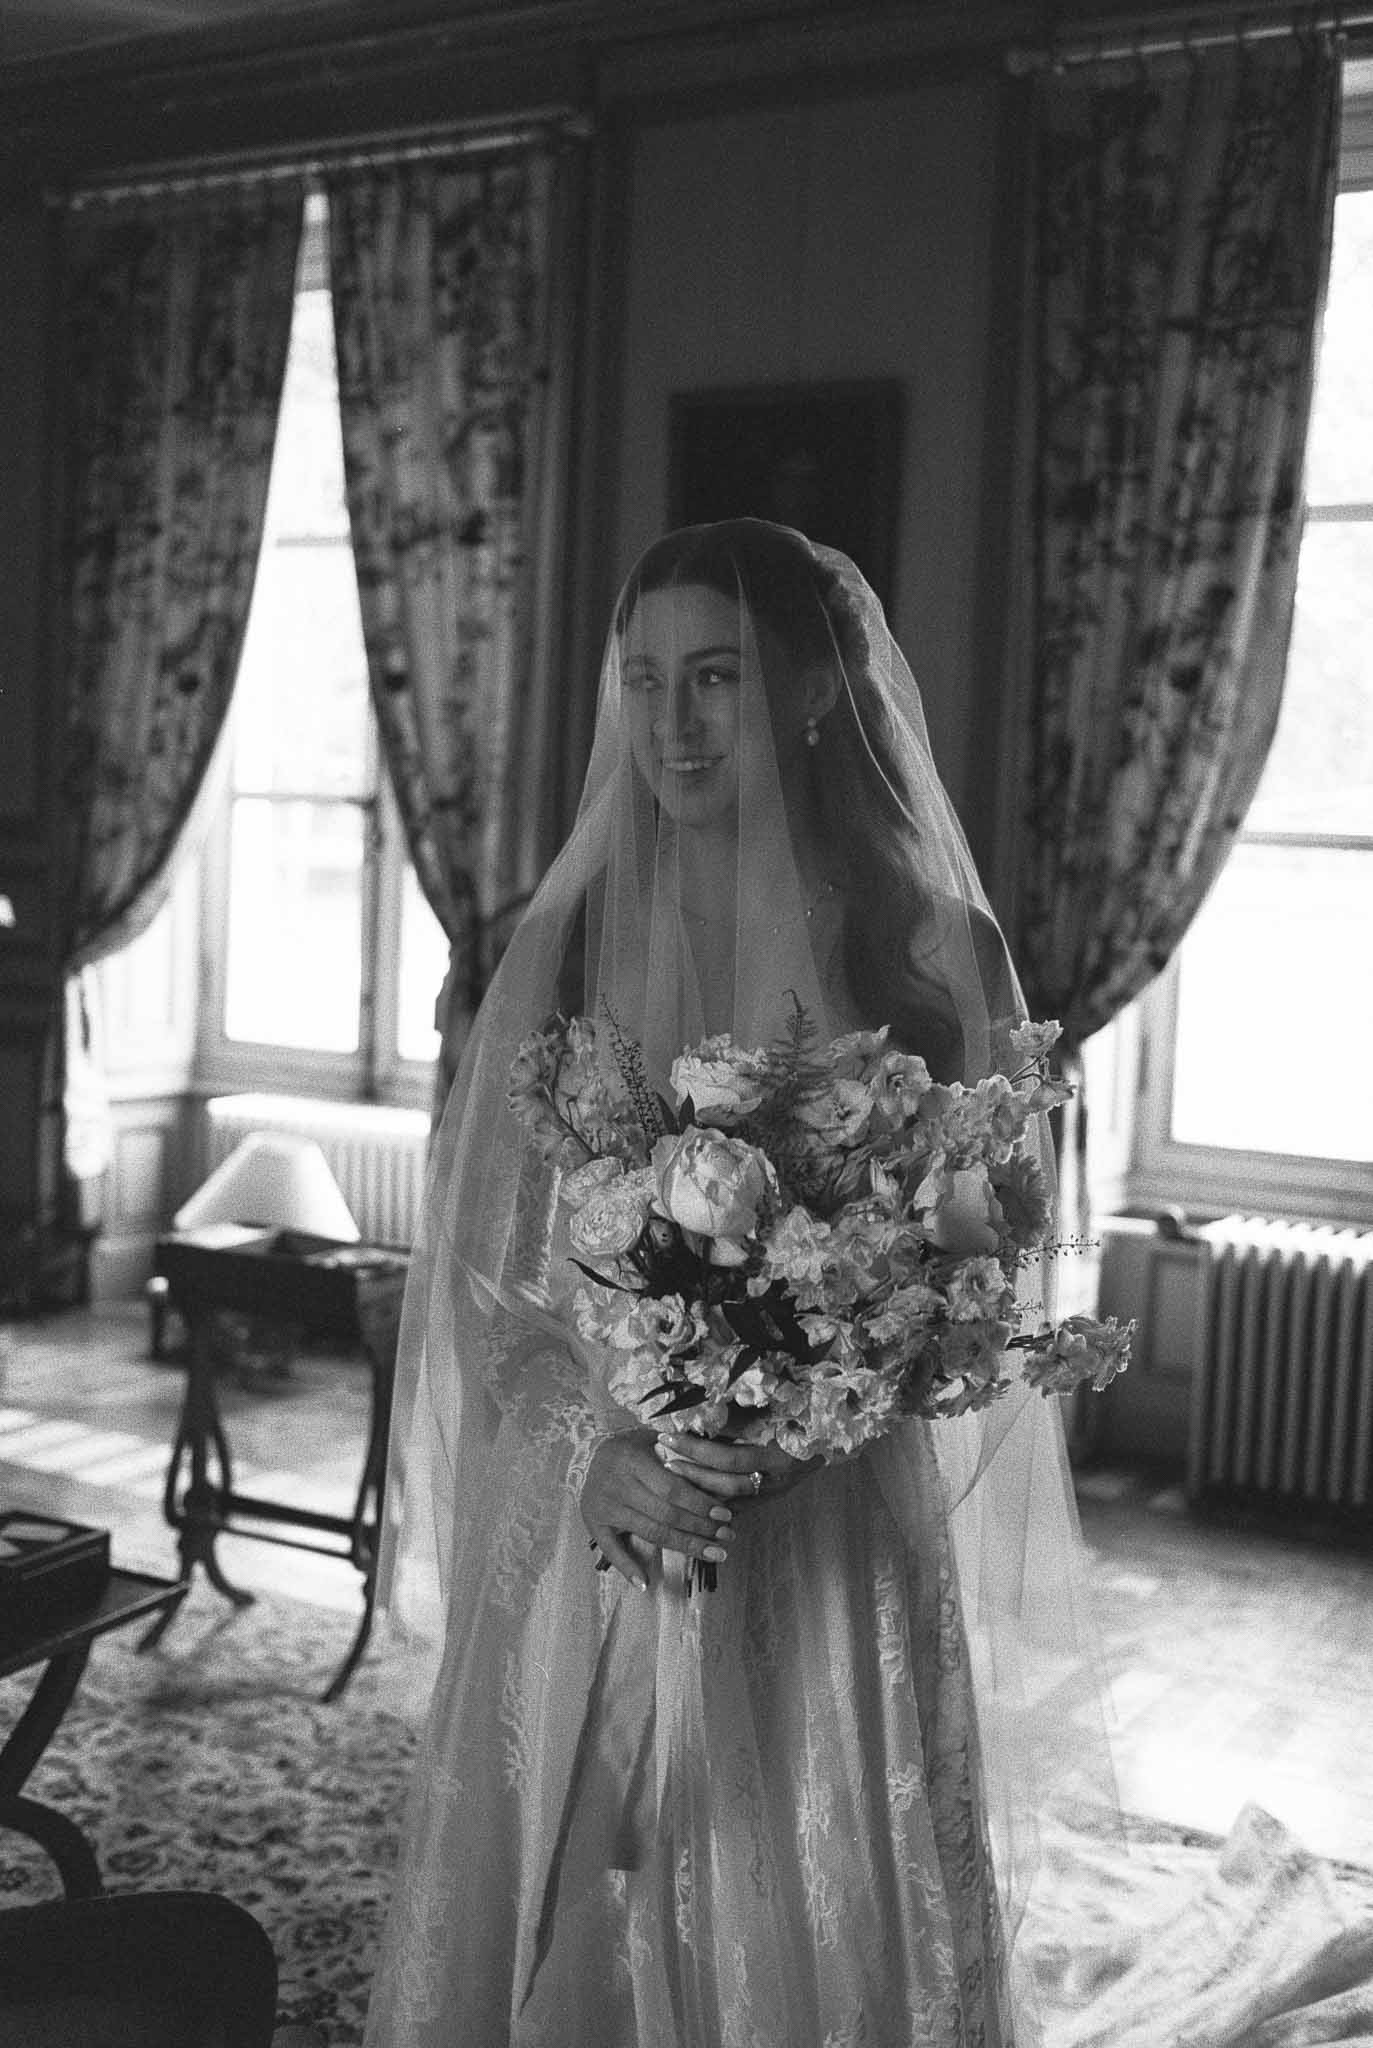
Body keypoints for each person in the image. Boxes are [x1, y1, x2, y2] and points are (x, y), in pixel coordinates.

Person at [364, 521, 1114, 2047]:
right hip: (594, 1514)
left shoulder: (930, 949)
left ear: (815, 693)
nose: (672, 726)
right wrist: (605, 1461)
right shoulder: (565, 944)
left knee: (796, 1882)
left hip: (822, 1527)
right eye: (642, 682)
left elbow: (978, 1276)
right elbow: (490, 1291)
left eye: (715, 678)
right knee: (583, 1898)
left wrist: (800, 1424)